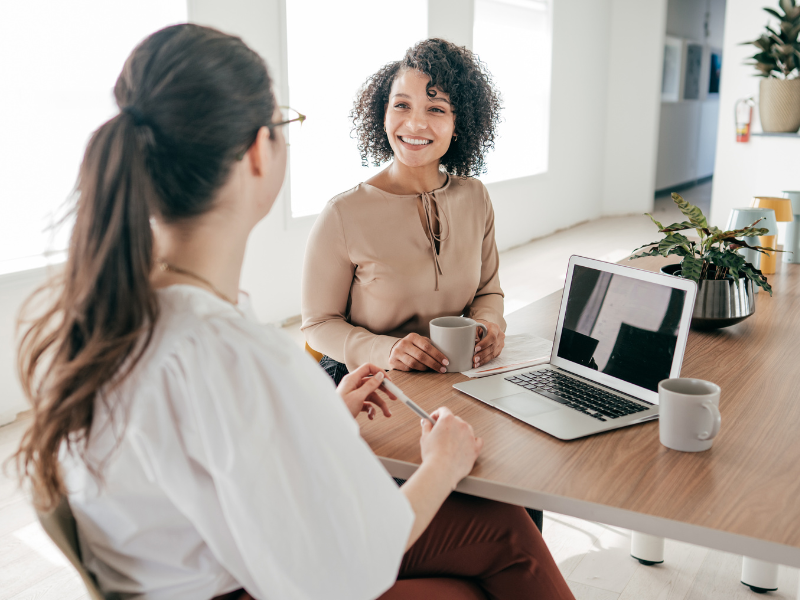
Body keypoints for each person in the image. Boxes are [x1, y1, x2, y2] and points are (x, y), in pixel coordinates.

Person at [14, 24, 574, 600]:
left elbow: (221, 458)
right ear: (260, 151)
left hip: (207, 568)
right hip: (251, 586)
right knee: (501, 544)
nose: (416, 122)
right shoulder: (234, 353)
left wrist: (324, 416)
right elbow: (347, 570)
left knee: (501, 529)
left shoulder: (109, 318)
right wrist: (443, 464)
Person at [301, 39, 506, 385]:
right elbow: (318, 325)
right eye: (401, 105)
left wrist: (490, 325)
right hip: (364, 381)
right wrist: (387, 350)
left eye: (436, 109)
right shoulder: (343, 213)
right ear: (383, 115)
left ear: (459, 124)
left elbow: (488, 291)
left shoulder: (475, 197)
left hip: (449, 375)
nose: (414, 124)